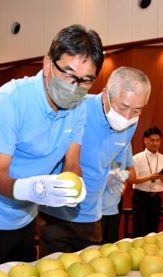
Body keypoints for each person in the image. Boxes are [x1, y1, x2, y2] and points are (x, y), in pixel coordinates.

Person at [0, 24, 104, 274]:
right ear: (47, 64)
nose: (75, 86)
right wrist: (34, 189)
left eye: (86, 80)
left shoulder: (79, 107)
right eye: (69, 74)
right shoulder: (9, 101)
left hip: (26, 218)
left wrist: (72, 186)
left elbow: (72, 163)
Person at [37, 66, 151, 256]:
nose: (128, 117)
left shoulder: (132, 123)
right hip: (56, 215)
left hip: (92, 215)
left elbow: (113, 160)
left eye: (137, 110)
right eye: (122, 107)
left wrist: (116, 175)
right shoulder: (77, 108)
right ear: (106, 93)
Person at [132, 126, 163, 237]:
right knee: (139, 233)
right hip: (140, 198)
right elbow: (132, 180)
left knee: (153, 232)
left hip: (156, 199)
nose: (155, 143)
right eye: (152, 140)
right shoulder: (136, 158)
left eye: (157, 140)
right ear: (145, 141)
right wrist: (150, 177)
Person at [101, 144, 136, 243]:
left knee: (110, 251)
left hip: (113, 210)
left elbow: (133, 174)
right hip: (92, 212)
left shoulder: (126, 141)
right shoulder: (93, 135)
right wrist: (103, 178)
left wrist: (126, 175)